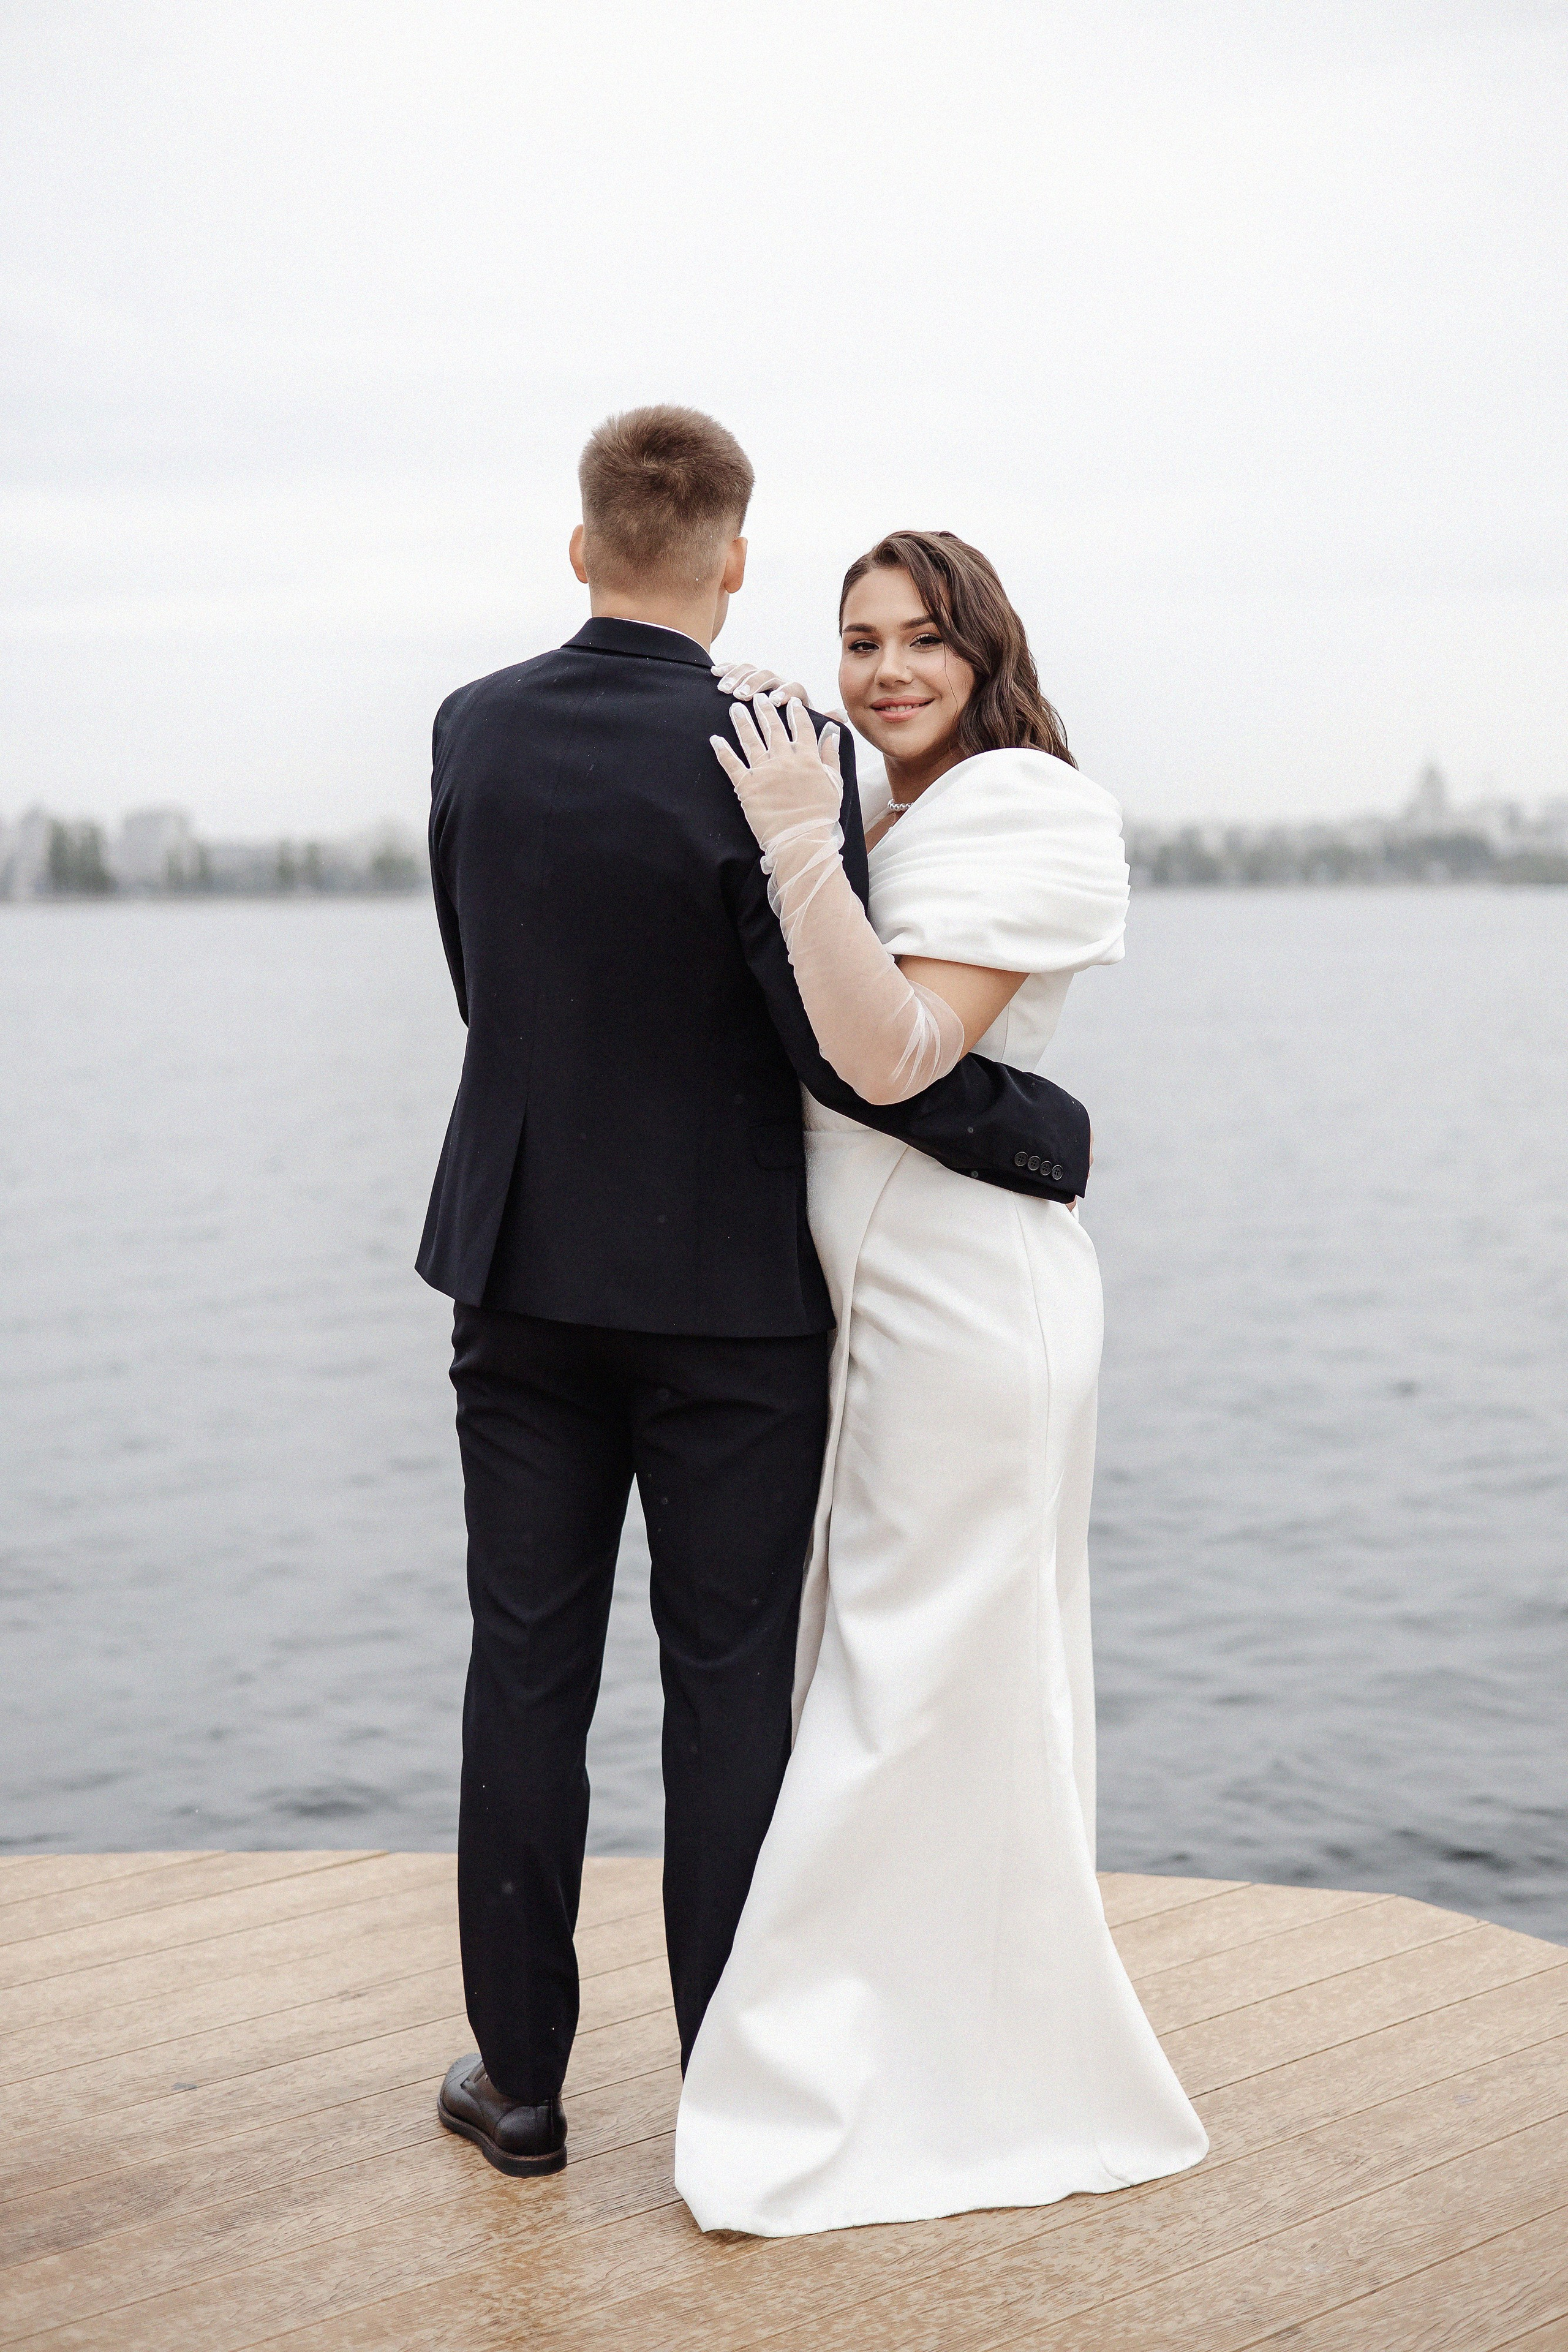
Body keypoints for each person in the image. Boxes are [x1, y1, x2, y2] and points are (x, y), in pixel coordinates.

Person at [418, 415, 1095, 2177]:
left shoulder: (471, 727)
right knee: (727, 1690)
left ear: (581, 548)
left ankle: (523, 2086)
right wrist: (1042, 1132)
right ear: (734, 560)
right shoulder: (774, 747)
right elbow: (835, 1037)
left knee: (524, 1666)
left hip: (521, 1269)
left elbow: (483, 981)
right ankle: (726, 2088)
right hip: (731, 1293)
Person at [674, 531, 1208, 2234]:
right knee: (913, 1670)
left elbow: (899, 1052)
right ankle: (935, 2045)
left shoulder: (1031, 807)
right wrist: (774, 774)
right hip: (878, 1298)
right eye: (859, 642)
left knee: (912, 1677)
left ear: (986, 651)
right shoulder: (877, 809)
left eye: (923, 638)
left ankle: (842, 2072)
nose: (888, 670)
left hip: (973, 1307)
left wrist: (791, 840)